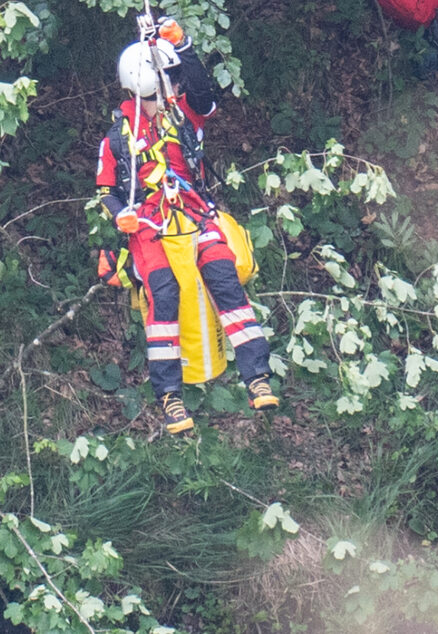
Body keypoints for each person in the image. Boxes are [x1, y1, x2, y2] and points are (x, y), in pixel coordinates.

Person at [95, 17, 278, 434]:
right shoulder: (117, 138)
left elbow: (204, 96)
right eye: (168, 83)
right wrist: (120, 214)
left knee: (224, 277)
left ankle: (257, 376)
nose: (175, 89)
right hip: (148, 224)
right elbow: (106, 189)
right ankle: (170, 396)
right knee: (164, 293)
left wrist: (184, 46)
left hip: (194, 212)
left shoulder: (183, 117)